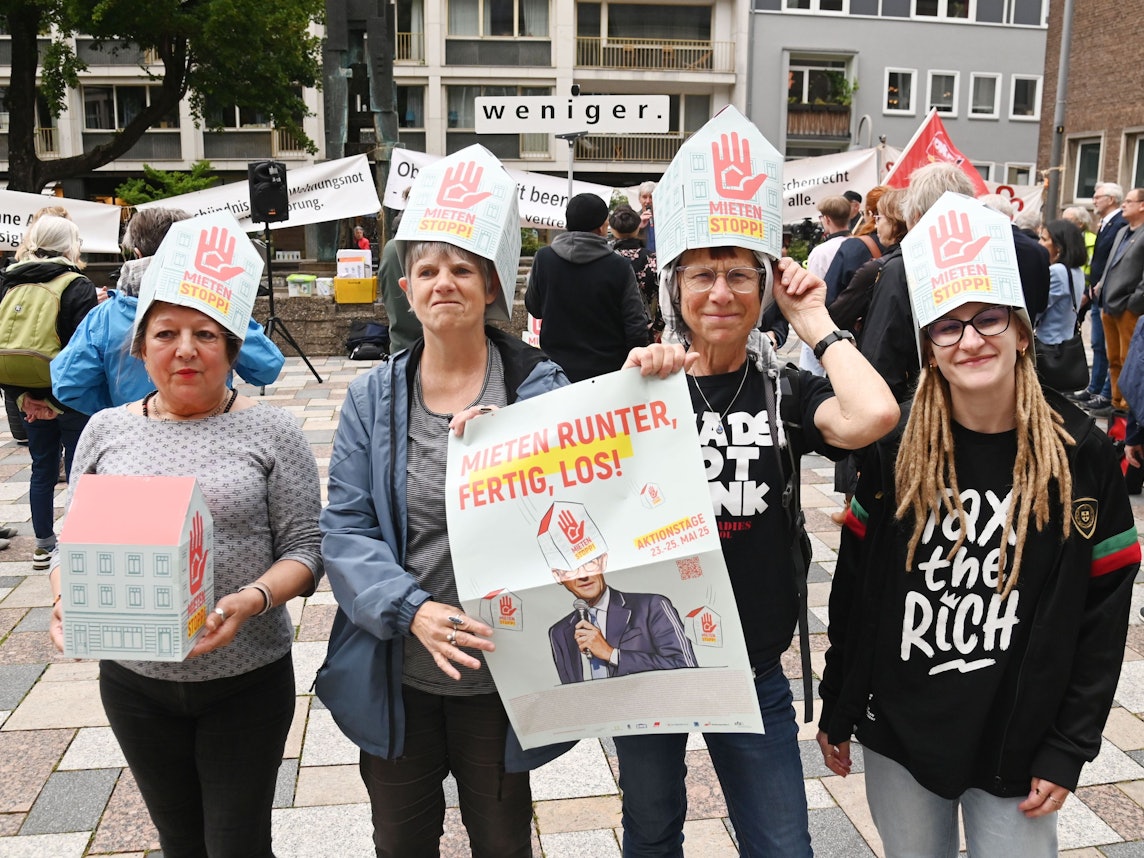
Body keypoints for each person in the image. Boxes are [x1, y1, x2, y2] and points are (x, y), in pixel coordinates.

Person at [817, 192, 1137, 858]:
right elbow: (855, 586)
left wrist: (1070, 745)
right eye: (948, 326)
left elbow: (1103, 613)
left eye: (988, 319)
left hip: (1017, 739)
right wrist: (839, 703)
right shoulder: (896, 442)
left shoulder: (1082, 451)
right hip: (902, 730)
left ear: (1021, 331)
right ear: (929, 346)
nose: (969, 340)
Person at [617, 106, 899, 858]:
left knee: (782, 842)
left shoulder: (784, 391)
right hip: (649, 666)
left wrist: (818, 324)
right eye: (702, 274)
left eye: (740, 274)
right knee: (649, 833)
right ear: (675, 286)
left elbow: (873, 415)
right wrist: (626, 388)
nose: (721, 292)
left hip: (751, 663)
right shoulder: (640, 391)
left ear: (764, 286)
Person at [318, 147, 576, 858]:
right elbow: (345, 528)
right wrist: (412, 611)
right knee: (402, 843)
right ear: (406, 286)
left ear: (491, 285)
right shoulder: (373, 397)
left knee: (502, 842)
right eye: (427, 270)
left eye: (462, 268)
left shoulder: (539, 391)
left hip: (504, 675)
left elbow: (584, 513)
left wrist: (521, 459)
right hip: (398, 669)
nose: (444, 284)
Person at [47, 212, 323, 858]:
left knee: (237, 844)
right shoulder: (107, 431)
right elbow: (73, 538)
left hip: (245, 676)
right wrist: (68, 597)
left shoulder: (271, 433)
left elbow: (308, 553)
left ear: (230, 348)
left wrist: (249, 600)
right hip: (134, 682)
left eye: (205, 333)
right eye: (165, 333)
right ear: (140, 347)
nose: (186, 348)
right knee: (179, 841)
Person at [51, 207, 285, 415]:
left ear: (137, 253)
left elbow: (68, 384)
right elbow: (267, 368)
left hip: (137, 438)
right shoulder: (216, 306)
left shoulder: (106, 316)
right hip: (212, 427)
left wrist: (121, 411)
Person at [0, 215, 99, 569]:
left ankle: (43, 545)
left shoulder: (8, 283)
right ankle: (76, 542)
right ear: (70, 245)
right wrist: (57, 401)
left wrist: (25, 399)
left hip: (26, 396)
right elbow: (83, 351)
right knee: (78, 468)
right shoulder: (77, 284)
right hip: (70, 397)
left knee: (41, 467)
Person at [525, 193, 650, 382]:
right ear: (601, 227)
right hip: (608, 374)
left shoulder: (544, 258)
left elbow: (534, 308)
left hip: (556, 373)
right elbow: (635, 325)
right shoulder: (619, 265)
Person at [548, 549, 697, 685]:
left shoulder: (652, 606)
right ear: (558, 576)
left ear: (602, 561)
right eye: (570, 569)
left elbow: (687, 669)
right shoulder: (559, 632)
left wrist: (611, 654)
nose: (584, 576)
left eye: (589, 563)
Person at [1072, 183, 1126, 412]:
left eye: (1098, 196)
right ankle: (1094, 388)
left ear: (1111, 199)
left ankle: (1106, 394)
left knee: (1108, 347)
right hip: (1097, 293)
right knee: (1098, 345)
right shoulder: (1107, 223)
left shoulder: (1120, 223)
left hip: (1110, 296)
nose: (1093, 200)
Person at [1096, 188, 1144, 417]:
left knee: (1128, 359)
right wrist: (1101, 287)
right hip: (1109, 303)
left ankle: (1127, 407)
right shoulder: (1122, 231)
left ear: (1142, 205)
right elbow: (1111, 264)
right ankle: (1116, 403)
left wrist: (1134, 302)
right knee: (1112, 358)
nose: (1123, 205)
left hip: (1127, 307)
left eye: (1129, 201)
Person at [1035, 219, 1087, 355]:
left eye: (1044, 239)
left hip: (1050, 344)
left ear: (1058, 247)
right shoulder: (1076, 270)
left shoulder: (1057, 271)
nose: (1039, 243)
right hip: (1066, 341)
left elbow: (1039, 307)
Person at [376, 209, 423, 354]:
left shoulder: (390, 249)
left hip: (400, 347)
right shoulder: (425, 246)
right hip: (431, 348)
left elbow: (384, 290)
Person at [610, 204, 660, 338]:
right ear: (638, 227)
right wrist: (658, 326)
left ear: (613, 230)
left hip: (610, 327)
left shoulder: (605, 258)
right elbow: (663, 294)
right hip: (644, 326)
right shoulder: (653, 258)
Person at [638, 180, 657, 257]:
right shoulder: (633, 218)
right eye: (644, 197)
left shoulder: (663, 217)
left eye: (651, 197)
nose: (648, 201)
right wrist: (638, 226)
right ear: (639, 199)